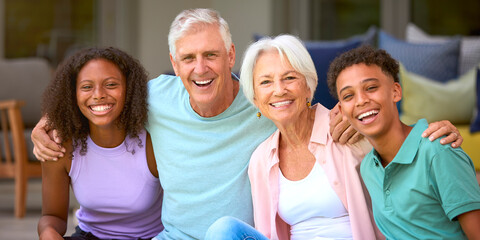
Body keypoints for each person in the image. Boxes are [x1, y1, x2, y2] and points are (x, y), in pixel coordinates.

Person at [31, 8, 462, 240]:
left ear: (231, 55)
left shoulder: (272, 106)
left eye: (211, 54)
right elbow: (98, 96)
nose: (201, 67)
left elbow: (365, 112)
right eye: (188, 58)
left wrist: (429, 133)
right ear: (174, 65)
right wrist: (49, 122)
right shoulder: (156, 96)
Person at [205, 34, 467, 240]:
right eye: (265, 82)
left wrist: (431, 134)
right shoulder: (261, 159)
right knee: (222, 231)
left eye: (289, 78)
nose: (279, 90)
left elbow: (397, 143)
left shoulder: (344, 129)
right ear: (255, 98)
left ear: (308, 85)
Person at [327, 45, 480, 239]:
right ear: (342, 110)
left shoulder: (437, 151)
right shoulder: (368, 167)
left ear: (395, 92)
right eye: (348, 95)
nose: (361, 101)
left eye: (371, 88)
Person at [37, 47, 163, 240]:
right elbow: (52, 217)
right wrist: (48, 234)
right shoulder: (60, 146)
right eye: (87, 87)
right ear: (73, 94)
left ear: (129, 89)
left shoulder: (154, 143)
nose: (98, 95)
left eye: (111, 84)